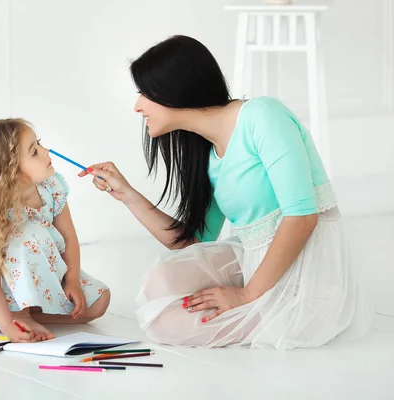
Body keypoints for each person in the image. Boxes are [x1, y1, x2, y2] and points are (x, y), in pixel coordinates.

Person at [79, 35, 373, 349]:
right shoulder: (208, 155)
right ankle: (255, 310)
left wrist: (246, 295)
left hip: (308, 270)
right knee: (160, 280)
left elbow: (302, 217)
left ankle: (270, 312)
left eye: (143, 93)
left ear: (172, 88)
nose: (137, 106)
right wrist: (126, 193)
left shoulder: (263, 116)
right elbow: (193, 243)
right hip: (255, 260)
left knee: (168, 323)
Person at [0, 118, 110, 343]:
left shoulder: (51, 188)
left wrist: (72, 280)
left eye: (39, 143)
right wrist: (7, 328)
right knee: (30, 232)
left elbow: (69, 237)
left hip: (45, 275)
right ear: (10, 170)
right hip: (1, 293)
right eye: (34, 151)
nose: (46, 151)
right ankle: (14, 314)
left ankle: (30, 314)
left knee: (99, 302)